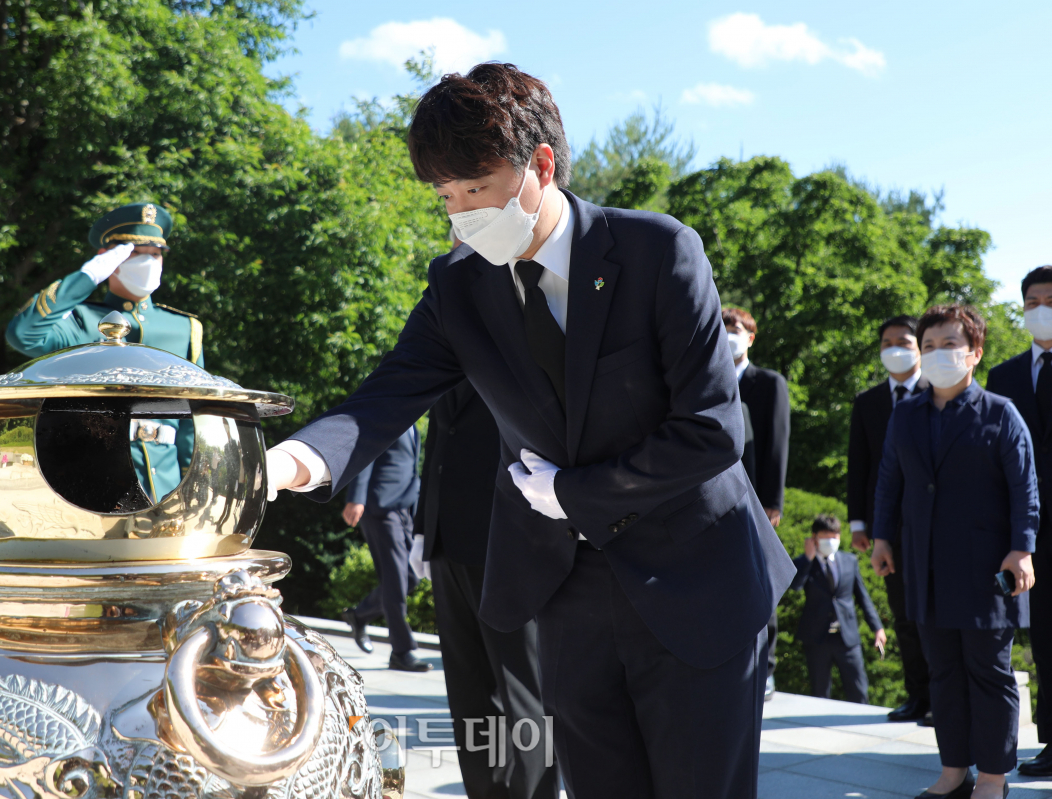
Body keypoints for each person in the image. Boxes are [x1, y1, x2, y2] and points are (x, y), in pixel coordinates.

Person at [265, 62, 795, 798]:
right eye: (444, 198)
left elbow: (711, 430)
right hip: (568, 591)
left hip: (695, 577)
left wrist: (574, 492)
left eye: (475, 190)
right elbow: (383, 398)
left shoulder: (655, 252)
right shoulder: (459, 286)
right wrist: (283, 464)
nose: (460, 215)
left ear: (539, 166)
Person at [872, 304, 1038, 799]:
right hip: (924, 565)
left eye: (949, 345)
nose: (936, 354)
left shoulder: (1000, 413)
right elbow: (889, 480)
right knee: (942, 672)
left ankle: (992, 776)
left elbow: (1024, 489)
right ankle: (953, 770)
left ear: (975, 353)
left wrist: (1022, 550)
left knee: (988, 673)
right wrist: (882, 537)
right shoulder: (906, 414)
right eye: (928, 346)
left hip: (986, 568)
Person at [417, 380, 557, 799]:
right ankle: (487, 790)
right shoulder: (446, 343)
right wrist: (424, 526)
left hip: (508, 540)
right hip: (448, 540)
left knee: (524, 691)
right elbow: (440, 438)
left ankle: (538, 793)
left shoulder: (522, 340)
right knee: (468, 691)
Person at [6, 202, 200, 503]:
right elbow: (24, 334)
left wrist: (193, 486)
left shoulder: (183, 328)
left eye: (156, 253)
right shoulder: (81, 320)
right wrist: (87, 277)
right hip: (91, 476)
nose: (148, 261)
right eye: (134, 252)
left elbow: (193, 419)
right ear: (108, 259)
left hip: (166, 482)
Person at [848, 315, 932, 724]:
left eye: (903, 340)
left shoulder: (939, 392)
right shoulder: (867, 402)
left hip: (933, 526)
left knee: (934, 613)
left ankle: (943, 696)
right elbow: (858, 466)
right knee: (902, 614)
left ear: (920, 347)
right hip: (888, 528)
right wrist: (859, 524)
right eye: (886, 342)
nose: (894, 347)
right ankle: (918, 695)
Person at [987, 265, 1052, 776]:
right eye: (1032, 301)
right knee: (1045, 637)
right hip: (1032, 532)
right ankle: (1051, 739)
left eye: (1049, 299)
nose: (1040, 308)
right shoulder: (1004, 377)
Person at [725, 306, 791, 700]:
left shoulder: (768, 383)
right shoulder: (700, 373)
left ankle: (766, 668)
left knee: (762, 579)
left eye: (735, 328)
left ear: (751, 337)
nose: (727, 333)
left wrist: (773, 500)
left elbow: (777, 445)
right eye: (721, 326)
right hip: (713, 497)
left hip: (755, 499)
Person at [340, 425, 429, 672]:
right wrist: (357, 497)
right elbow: (366, 453)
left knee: (412, 575)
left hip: (406, 508)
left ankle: (359, 616)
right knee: (395, 580)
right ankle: (402, 651)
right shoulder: (391, 413)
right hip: (380, 507)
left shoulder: (413, 421)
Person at [791, 514, 887, 704]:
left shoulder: (849, 561)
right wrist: (808, 558)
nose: (830, 541)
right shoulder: (804, 563)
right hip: (817, 638)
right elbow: (795, 586)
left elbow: (862, 597)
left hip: (847, 637)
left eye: (834, 537)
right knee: (819, 692)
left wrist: (877, 627)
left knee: (859, 690)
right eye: (825, 537)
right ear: (814, 538)